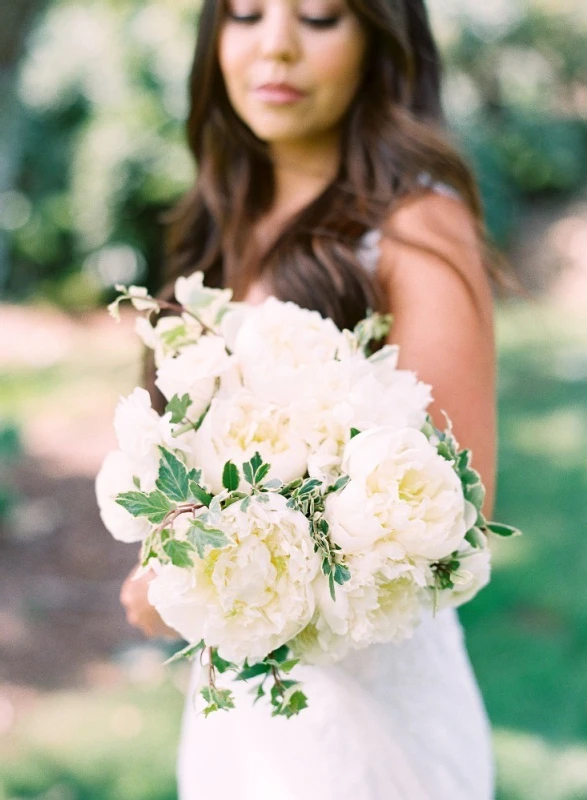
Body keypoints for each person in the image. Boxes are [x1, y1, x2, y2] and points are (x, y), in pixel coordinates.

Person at [120, 0, 499, 796]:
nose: (276, 46)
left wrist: (196, 584)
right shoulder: (221, 224)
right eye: (247, 13)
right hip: (241, 717)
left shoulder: (415, 224)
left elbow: (452, 516)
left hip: (370, 729)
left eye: (320, 16)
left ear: (379, 38)